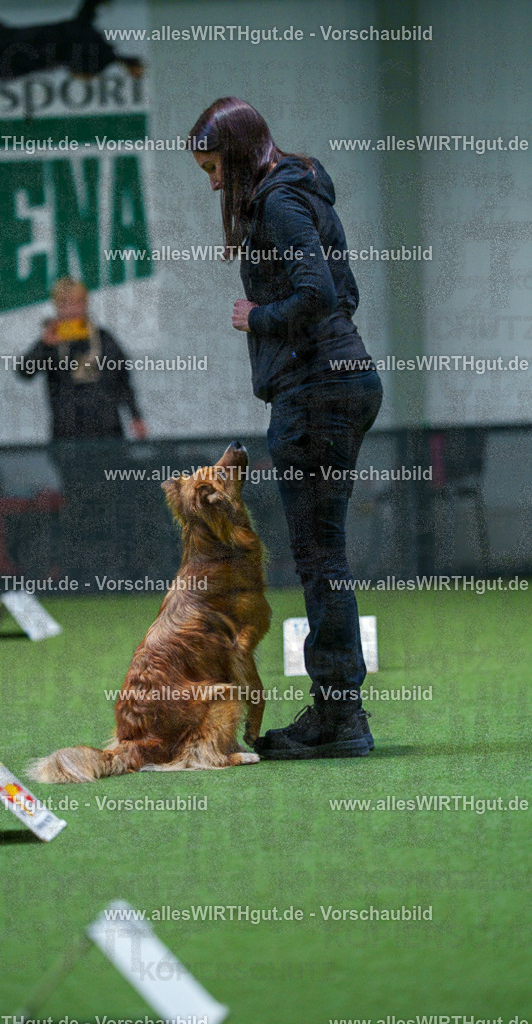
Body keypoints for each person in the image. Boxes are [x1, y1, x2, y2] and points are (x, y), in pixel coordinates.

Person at [189, 97, 383, 759]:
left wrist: (257, 317)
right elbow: (344, 292)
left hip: (317, 391)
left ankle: (339, 719)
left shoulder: (276, 202)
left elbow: (319, 294)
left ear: (237, 154)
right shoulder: (303, 191)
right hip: (339, 378)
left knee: (320, 560)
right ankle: (338, 711)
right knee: (323, 558)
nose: (213, 181)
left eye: (215, 166)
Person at [17, 277, 148, 442]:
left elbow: (123, 381)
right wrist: (43, 346)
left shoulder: (104, 339)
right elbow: (24, 372)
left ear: (85, 304)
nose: (72, 310)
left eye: (76, 303)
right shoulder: (51, 343)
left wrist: (136, 416)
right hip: (66, 435)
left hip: (107, 432)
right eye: (65, 304)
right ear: (57, 307)